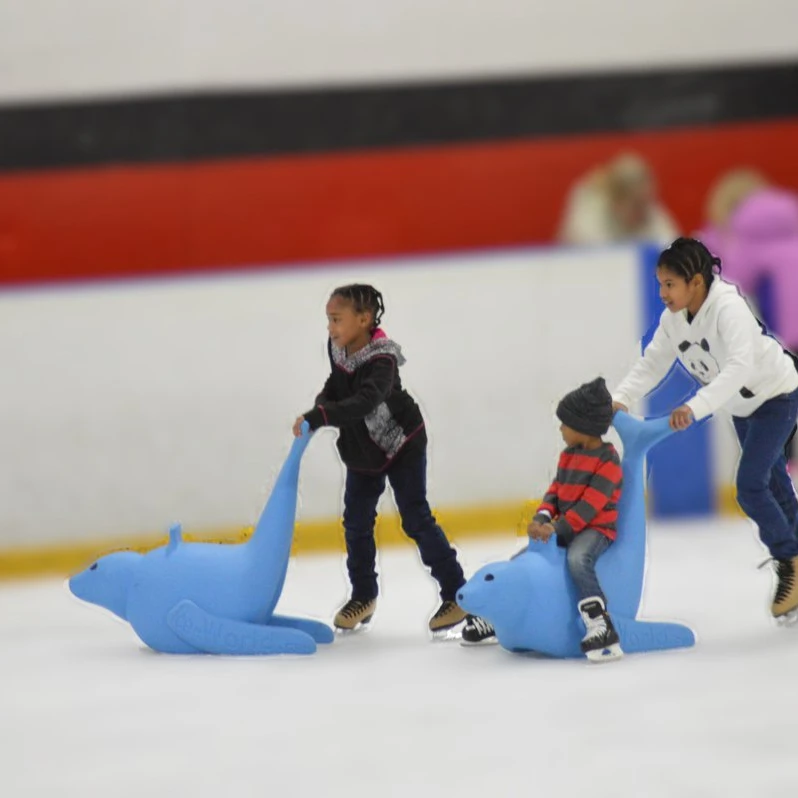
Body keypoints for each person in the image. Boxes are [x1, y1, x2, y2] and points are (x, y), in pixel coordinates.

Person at [612, 237, 798, 622]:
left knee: (750, 485)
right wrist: (622, 397)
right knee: (774, 482)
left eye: (670, 284)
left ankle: (789, 560)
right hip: (743, 406)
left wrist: (695, 408)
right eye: (659, 284)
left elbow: (739, 368)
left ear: (696, 281)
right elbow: (652, 363)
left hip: (778, 396)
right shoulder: (673, 320)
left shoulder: (729, 309)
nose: (663, 293)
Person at [293, 283, 488, 638]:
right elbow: (336, 387)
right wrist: (319, 407)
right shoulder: (337, 348)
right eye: (328, 321)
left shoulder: (382, 359)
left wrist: (323, 416)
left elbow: (366, 401)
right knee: (356, 522)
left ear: (364, 319)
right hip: (362, 450)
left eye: (336, 320)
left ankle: (456, 592)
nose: (330, 328)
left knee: (415, 517)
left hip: (402, 444)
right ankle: (364, 595)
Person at [526, 377, 624, 661]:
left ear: (584, 427)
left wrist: (556, 530)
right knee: (528, 556)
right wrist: (542, 518)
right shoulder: (568, 456)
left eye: (565, 424)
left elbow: (589, 508)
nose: (561, 429)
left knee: (577, 559)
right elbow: (555, 492)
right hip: (566, 526)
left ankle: (600, 624)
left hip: (596, 529)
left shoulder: (608, 460)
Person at [557, 153, 679, 247]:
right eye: (637, 205)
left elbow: (675, 251)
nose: (645, 211)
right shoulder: (587, 218)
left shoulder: (649, 211)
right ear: (616, 203)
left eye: (648, 202)